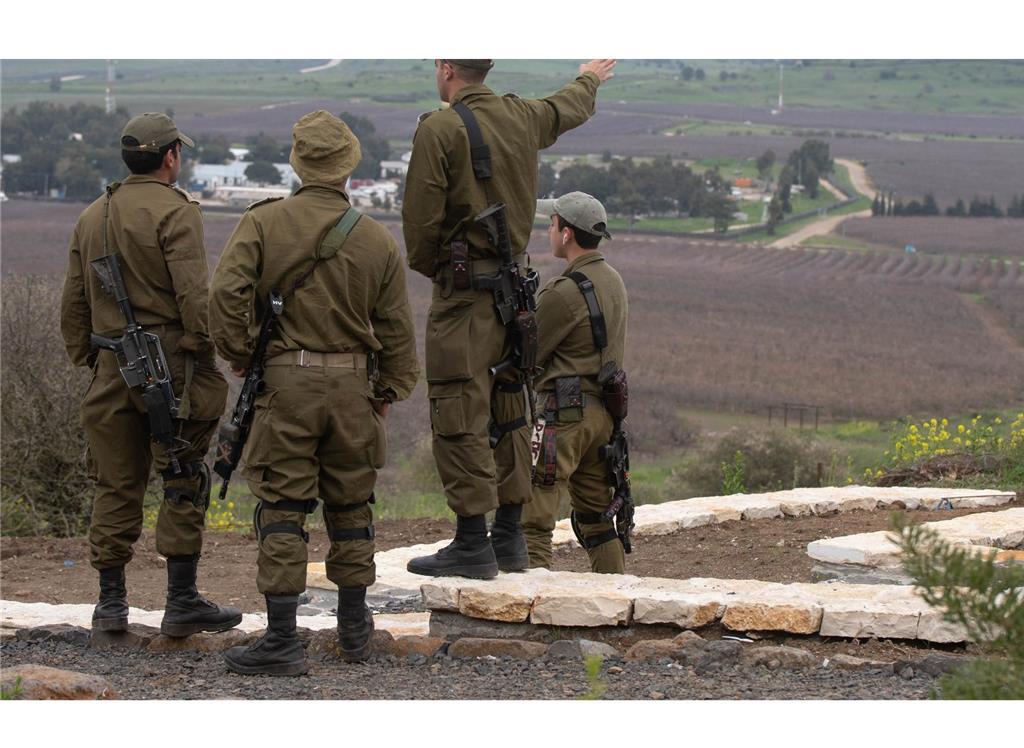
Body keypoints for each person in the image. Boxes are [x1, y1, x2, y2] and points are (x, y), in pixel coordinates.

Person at [209, 110, 418, 676]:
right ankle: (354, 630)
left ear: (298, 164)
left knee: (281, 508)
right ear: (349, 167)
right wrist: (386, 391)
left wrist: (243, 355)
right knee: (351, 506)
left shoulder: (261, 224)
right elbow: (397, 332)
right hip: (354, 388)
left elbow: (225, 297)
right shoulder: (376, 238)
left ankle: (281, 639)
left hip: (285, 387)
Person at [402, 58, 617, 579]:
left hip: (467, 299)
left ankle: (472, 541)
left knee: (459, 412)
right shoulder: (522, 116)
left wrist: (447, 273)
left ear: (446, 68)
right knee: (511, 411)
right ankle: (509, 537)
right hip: (516, 297)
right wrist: (588, 78)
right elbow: (567, 108)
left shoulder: (441, 128)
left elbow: (419, 228)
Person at [60, 113, 241, 637]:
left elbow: (74, 304)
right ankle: (181, 600)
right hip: (170, 370)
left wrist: (92, 361)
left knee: (114, 485)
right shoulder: (176, 211)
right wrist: (207, 351)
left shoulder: (93, 214)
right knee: (183, 479)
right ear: (170, 158)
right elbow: (193, 298)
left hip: (112, 364)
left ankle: (110, 604)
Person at [523, 192, 628, 573]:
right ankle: (615, 600)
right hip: (603, 416)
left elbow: (527, 356)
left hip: (563, 417)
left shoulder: (564, 291)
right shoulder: (613, 280)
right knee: (598, 520)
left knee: (532, 514)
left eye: (551, 225)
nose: (548, 231)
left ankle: (530, 600)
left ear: (567, 234)